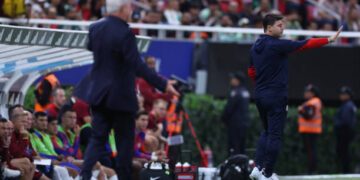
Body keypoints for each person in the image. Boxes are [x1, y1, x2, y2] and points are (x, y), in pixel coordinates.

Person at [75, 0, 179, 179]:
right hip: (120, 96)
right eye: (129, 8)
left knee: (97, 139)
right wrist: (164, 84)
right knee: (125, 142)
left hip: (99, 94)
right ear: (124, 9)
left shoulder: (95, 28)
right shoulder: (125, 33)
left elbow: (94, 49)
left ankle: (85, 176)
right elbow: (138, 66)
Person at [247, 14, 342, 180]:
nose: (283, 28)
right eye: (279, 25)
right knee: (275, 135)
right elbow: (304, 44)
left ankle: (258, 167)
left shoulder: (254, 47)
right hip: (276, 95)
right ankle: (267, 174)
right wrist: (329, 39)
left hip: (260, 94)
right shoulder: (277, 45)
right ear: (269, 28)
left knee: (267, 131)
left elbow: (251, 72)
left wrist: (263, 84)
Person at [221, 71, 250, 156]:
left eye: (233, 79)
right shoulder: (245, 92)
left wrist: (223, 120)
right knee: (241, 147)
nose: (231, 80)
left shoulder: (235, 92)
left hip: (235, 124)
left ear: (238, 81)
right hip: (244, 124)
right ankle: (241, 166)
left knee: (234, 147)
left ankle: (234, 166)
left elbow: (229, 108)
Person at [298, 84, 322, 174]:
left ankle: (311, 171)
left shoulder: (313, 102)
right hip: (309, 130)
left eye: (307, 92)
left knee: (311, 152)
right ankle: (311, 170)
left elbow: (308, 115)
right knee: (310, 151)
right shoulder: (311, 101)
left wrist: (300, 110)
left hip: (310, 130)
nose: (305, 93)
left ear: (312, 93)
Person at [335, 86, 357, 173]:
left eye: (343, 94)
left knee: (344, 151)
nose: (341, 96)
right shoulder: (346, 105)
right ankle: (344, 170)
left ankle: (345, 171)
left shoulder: (348, 105)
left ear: (348, 95)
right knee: (342, 151)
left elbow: (346, 120)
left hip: (344, 131)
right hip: (344, 130)